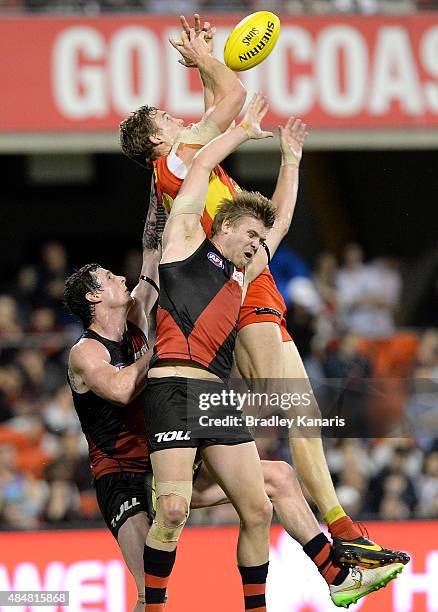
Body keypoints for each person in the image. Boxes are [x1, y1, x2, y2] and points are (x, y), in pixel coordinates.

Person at [120, 13, 409, 572]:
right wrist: (208, 60)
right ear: (158, 139)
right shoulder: (174, 162)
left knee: (302, 414)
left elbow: (215, 109)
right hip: (238, 295)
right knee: (291, 414)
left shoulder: (193, 167)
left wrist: (208, 62)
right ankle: (340, 534)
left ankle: (345, 533)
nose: (180, 116)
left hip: (256, 288)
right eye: (167, 117)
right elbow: (232, 100)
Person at [64, 189, 403, 611]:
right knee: (146, 590)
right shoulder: (86, 352)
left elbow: (153, 251)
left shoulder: (136, 317)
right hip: (126, 475)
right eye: (110, 278)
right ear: (94, 298)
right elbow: (119, 389)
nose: (121, 278)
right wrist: (167, 348)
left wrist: (159, 178)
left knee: (277, 479)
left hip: (171, 446)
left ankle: (338, 575)